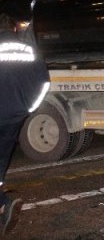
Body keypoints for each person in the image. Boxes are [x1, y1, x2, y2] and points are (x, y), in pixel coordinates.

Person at [0, 35, 51, 234]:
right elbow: (43, 81)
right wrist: (28, 107)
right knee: (1, 159)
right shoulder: (27, 47)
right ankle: (3, 204)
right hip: (13, 115)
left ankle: (4, 202)